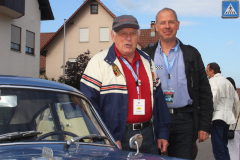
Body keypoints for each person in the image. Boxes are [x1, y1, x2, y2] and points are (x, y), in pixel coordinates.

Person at [80, 15, 171, 155]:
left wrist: (163, 133)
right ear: (113, 35)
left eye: (133, 33)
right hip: (116, 137)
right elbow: (87, 105)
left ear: (138, 36)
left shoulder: (148, 62)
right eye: (122, 33)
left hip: (148, 135)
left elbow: (159, 101)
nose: (128, 38)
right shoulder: (99, 62)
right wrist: (106, 137)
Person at [142, 8, 213, 159]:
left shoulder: (191, 54)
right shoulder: (147, 56)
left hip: (184, 121)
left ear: (178, 25)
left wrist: (204, 125)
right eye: (163, 23)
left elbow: (205, 92)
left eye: (171, 22)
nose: (167, 26)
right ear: (156, 26)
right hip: (156, 120)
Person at [206, 63, 238, 160]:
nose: (206, 73)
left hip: (218, 117)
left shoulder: (213, 81)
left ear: (212, 71)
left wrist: (208, 117)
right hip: (228, 118)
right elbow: (235, 102)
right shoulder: (228, 83)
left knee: (218, 147)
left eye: (207, 71)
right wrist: (233, 117)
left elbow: (213, 99)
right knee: (224, 146)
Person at [226, 77, 240, 160]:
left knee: (233, 150)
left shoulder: (231, 95)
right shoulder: (236, 94)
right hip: (238, 126)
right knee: (237, 149)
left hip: (233, 127)